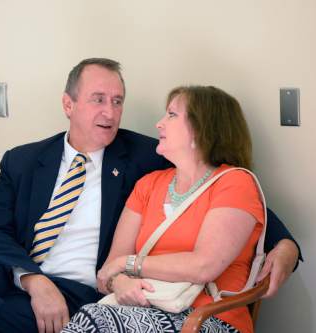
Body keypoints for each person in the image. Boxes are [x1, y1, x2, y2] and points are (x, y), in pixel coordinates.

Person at [0, 59, 301, 333]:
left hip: (87, 294)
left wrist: (285, 245)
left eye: (118, 101)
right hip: (25, 284)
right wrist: (35, 281)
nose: (111, 112)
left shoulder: (145, 156)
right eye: (98, 99)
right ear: (68, 105)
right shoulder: (24, 160)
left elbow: (225, 194)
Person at [62, 86, 279, 333]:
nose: (159, 124)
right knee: (94, 316)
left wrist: (129, 264)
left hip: (208, 319)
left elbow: (203, 266)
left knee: (94, 318)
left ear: (201, 128)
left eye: (172, 115)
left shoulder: (236, 183)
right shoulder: (148, 184)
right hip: (144, 309)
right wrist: (120, 282)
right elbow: (109, 270)